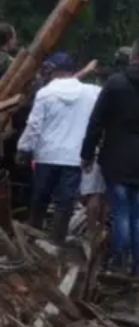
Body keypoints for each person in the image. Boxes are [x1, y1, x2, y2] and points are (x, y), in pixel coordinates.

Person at [81, 38, 139, 276]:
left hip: (116, 157)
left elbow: (96, 122)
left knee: (121, 212)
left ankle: (118, 263)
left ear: (134, 56)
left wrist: (87, 154)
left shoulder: (115, 84)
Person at [15, 53, 102, 244]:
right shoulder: (91, 93)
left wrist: (23, 148)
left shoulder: (45, 93)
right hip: (74, 157)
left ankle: (32, 237)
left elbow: (34, 125)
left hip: (46, 155)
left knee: (40, 197)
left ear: (54, 71)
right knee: (65, 203)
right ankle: (57, 242)